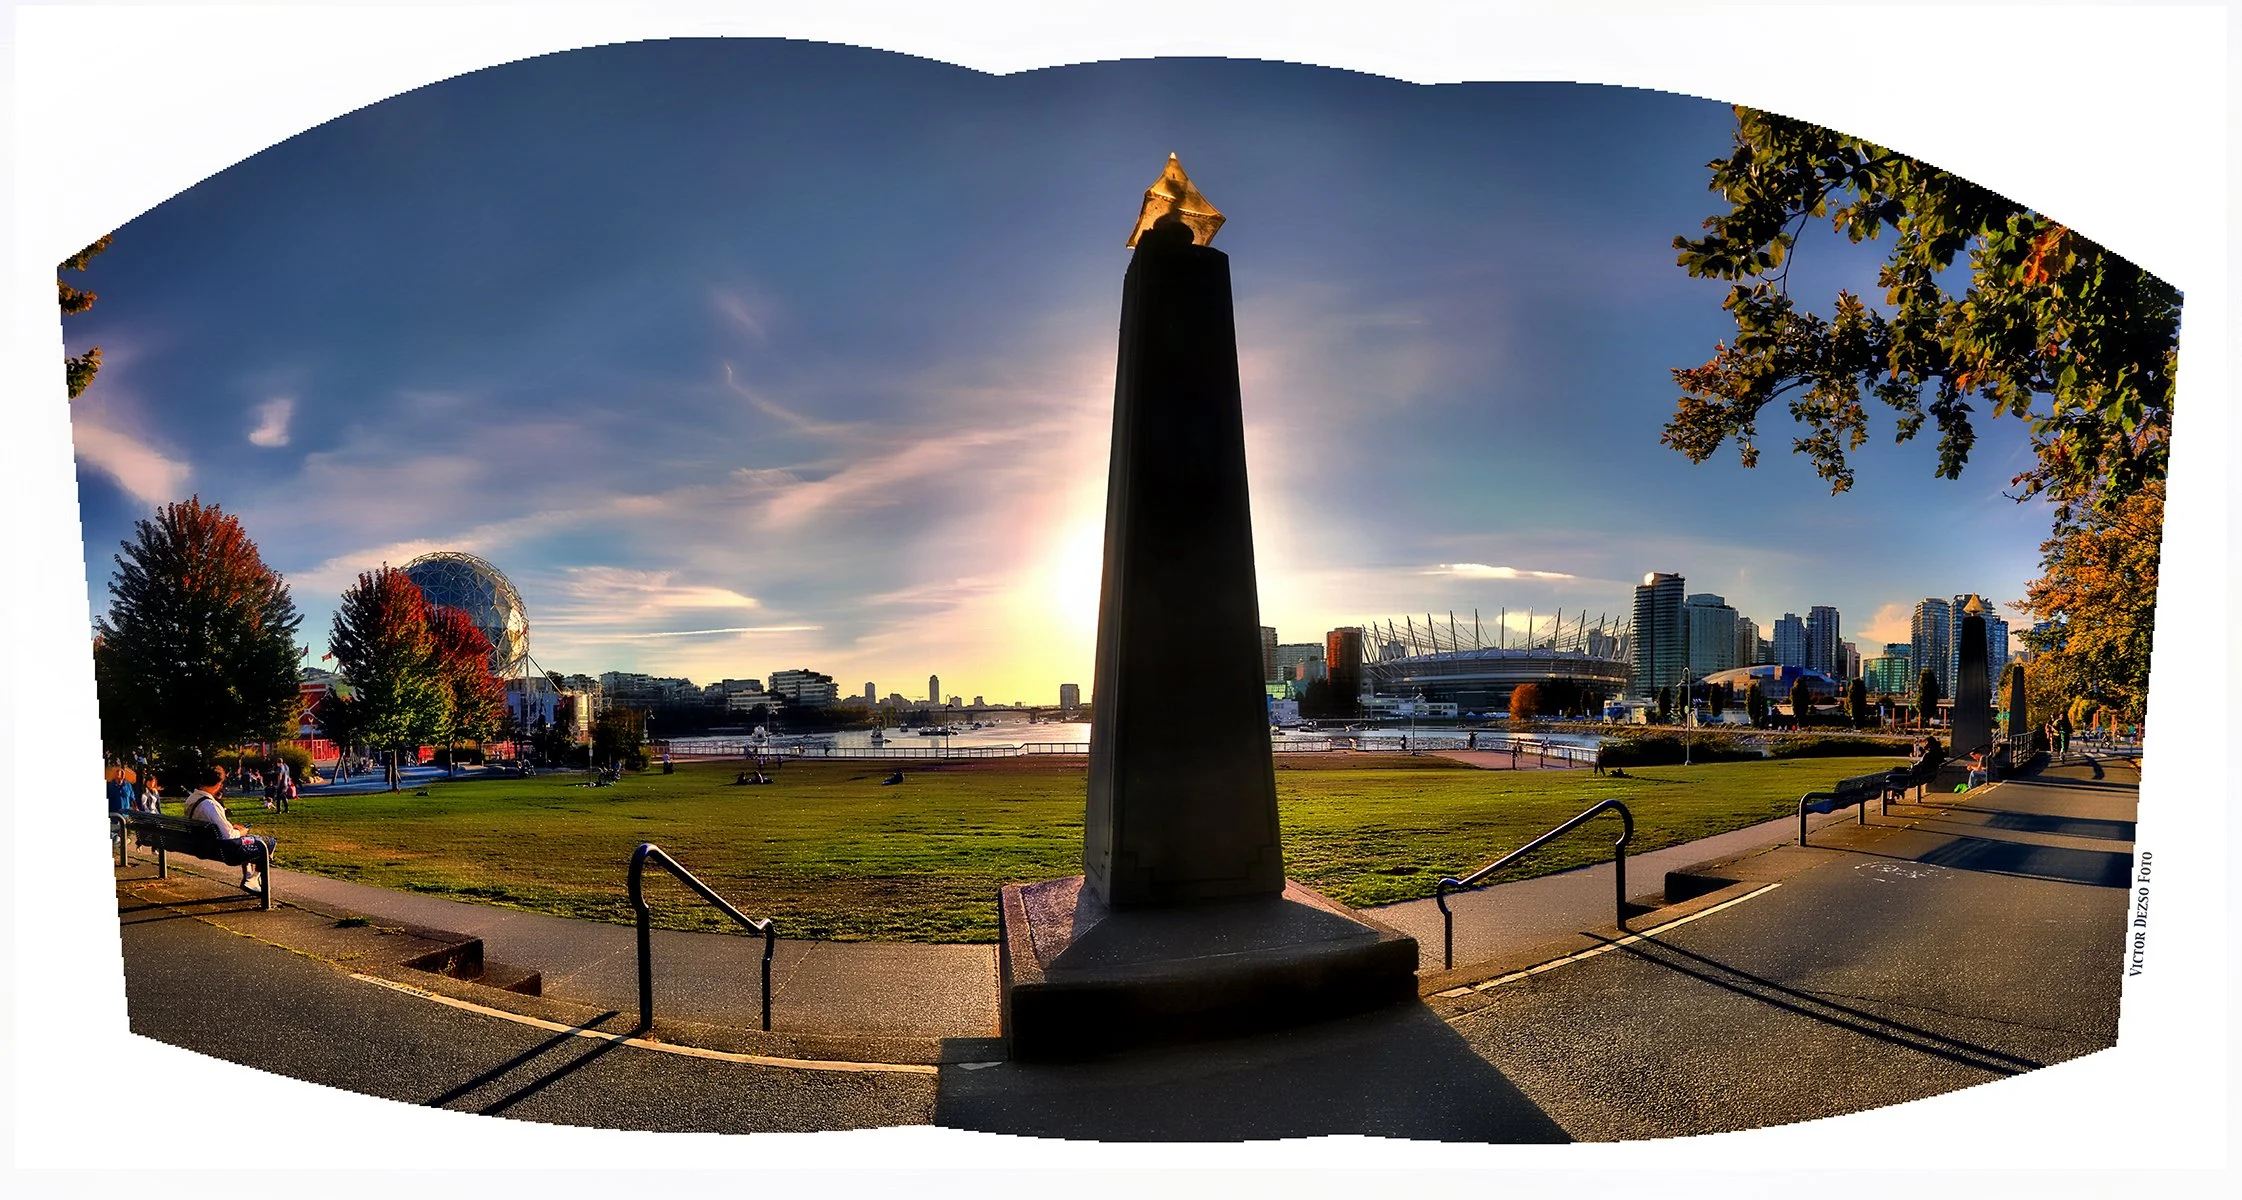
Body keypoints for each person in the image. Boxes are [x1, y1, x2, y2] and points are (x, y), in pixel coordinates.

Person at [182, 765, 273, 892]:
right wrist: (241, 831)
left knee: (248, 839)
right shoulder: (210, 805)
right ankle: (253, 878)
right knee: (267, 842)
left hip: (200, 845)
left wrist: (231, 827)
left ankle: (248, 877)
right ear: (218, 784)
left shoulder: (191, 799)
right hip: (223, 850)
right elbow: (228, 835)